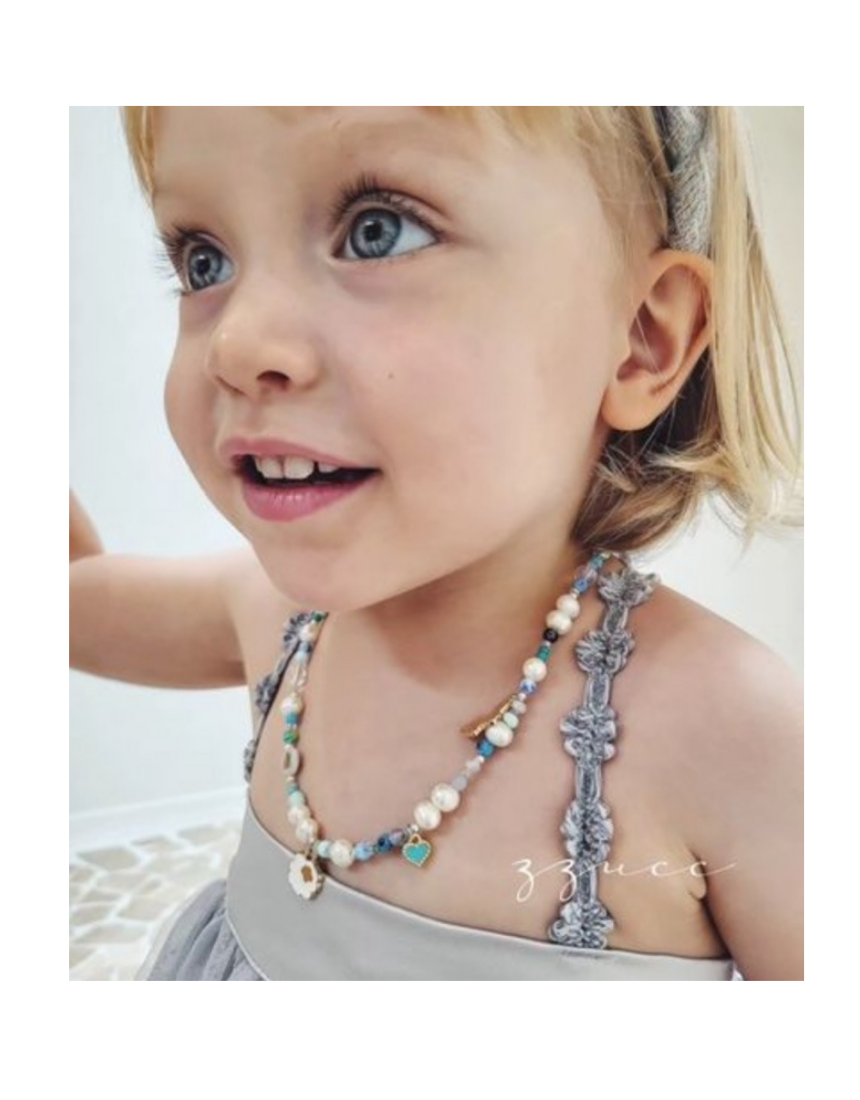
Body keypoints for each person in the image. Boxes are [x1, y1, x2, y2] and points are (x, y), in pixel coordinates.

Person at [70, 106, 803, 980]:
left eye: (378, 231)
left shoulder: (730, 731)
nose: (237, 343)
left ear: (641, 341)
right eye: (205, 261)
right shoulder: (273, 615)